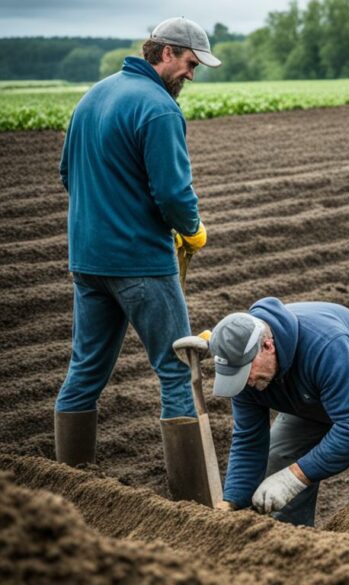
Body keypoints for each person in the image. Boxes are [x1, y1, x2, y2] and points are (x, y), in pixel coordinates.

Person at [54, 17, 221, 473]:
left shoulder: (92, 97)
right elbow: (172, 193)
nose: (192, 74)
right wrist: (191, 228)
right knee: (177, 369)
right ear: (166, 52)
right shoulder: (159, 108)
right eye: (190, 63)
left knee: (85, 369)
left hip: (87, 261)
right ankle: (194, 501)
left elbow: (68, 175)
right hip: (141, 264)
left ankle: (69, 479)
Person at [208, 297, 349, 526]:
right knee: (278, 456)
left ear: (267, 346)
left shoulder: (325, 344)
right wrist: (232, 503)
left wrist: (294, 477)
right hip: (311, 400)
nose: (246, 382)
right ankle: (294, 544)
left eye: (245, 373)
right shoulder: (244, 374)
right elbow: (248, 439)